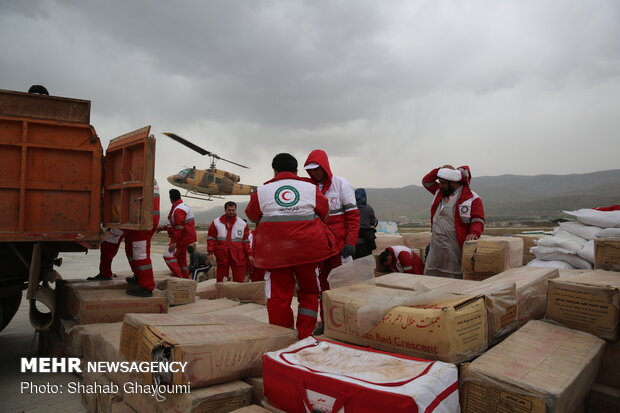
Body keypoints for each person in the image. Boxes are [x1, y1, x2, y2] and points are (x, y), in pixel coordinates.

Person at [245, 153, 337, 339]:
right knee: (310, 292)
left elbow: (252, 215)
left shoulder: (262, 191)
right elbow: (325, 212)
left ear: (275, 170)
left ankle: (283, 337)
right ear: (296, 171)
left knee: (278, 297)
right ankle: (304, 335)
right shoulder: (310, 188)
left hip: (276, 255)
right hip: (308, 252)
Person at [88, 181, 160, 297]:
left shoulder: (141, 175)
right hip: (134, 218)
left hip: (141, 220)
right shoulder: (142, 175)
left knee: (139, 254)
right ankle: (135, 276)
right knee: (127, 249)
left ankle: (147, 287)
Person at [303, 149, 360, 294]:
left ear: (324, 167)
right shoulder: (310, 187)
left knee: (343, 284)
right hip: (319, 247)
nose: (314, 173)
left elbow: (353, 216)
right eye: (311, 170)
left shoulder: (341, 184)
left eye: (316, 169)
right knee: (322, 285)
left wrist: (351, 242)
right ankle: (325, 315)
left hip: (340, 247)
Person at [422, 165, 485, 279]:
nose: (439, 185)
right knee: (432, 276)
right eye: (439, 182)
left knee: (454, 277)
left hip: (455, 248)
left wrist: (474, 233)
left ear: (453, 183)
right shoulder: (440, 193)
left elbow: (478, 220)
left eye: (443, 183)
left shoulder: (472, 199)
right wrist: (440, 169)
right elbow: (426, 181)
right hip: (436, 247)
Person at [207, 201, 253, 282]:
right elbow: (211, 238)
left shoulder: (242, 224)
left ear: (235, 210)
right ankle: (221, 294)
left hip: (238, 255)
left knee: (239, 279)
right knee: (221, 279)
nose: (231, 212)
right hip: (222, 254)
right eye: (229, 210)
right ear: (225, 210)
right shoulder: (216, 222)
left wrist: (249, 254)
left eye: (233, 210)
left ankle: (237, 294)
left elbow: (246, 241)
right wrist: (210, 252)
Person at [160, 189, 197, 278]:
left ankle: (179, 278)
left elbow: (178, 227)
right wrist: (163, 228)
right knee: (181, 261)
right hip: (186, 237)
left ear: (170, 198)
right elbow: (175, 224)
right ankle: (185, 278)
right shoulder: (180, 207)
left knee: (167, 255)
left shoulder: (179, 210)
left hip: (182, 238)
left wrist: (174, 242)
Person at [353, 188, 378, 259]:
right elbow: (373, 223)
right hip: (366, 240)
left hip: (353, 239)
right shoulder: (369, 208)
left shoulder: (351, 207)